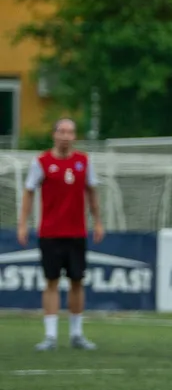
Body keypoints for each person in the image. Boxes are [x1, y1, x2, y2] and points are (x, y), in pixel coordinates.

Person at [17, 117, 104, 352]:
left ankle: (77, 334)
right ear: (54, 134)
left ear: (74, 136)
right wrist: (23, 224)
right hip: (50, 233)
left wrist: (97, 222)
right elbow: (28, 192)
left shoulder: (84, 162)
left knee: (77, 281)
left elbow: (92, 192)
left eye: (70, 132)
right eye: (62, 131)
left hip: (76, 232)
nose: (66, 136)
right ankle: (50, 336)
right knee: (51, 282)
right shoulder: (41, 162)